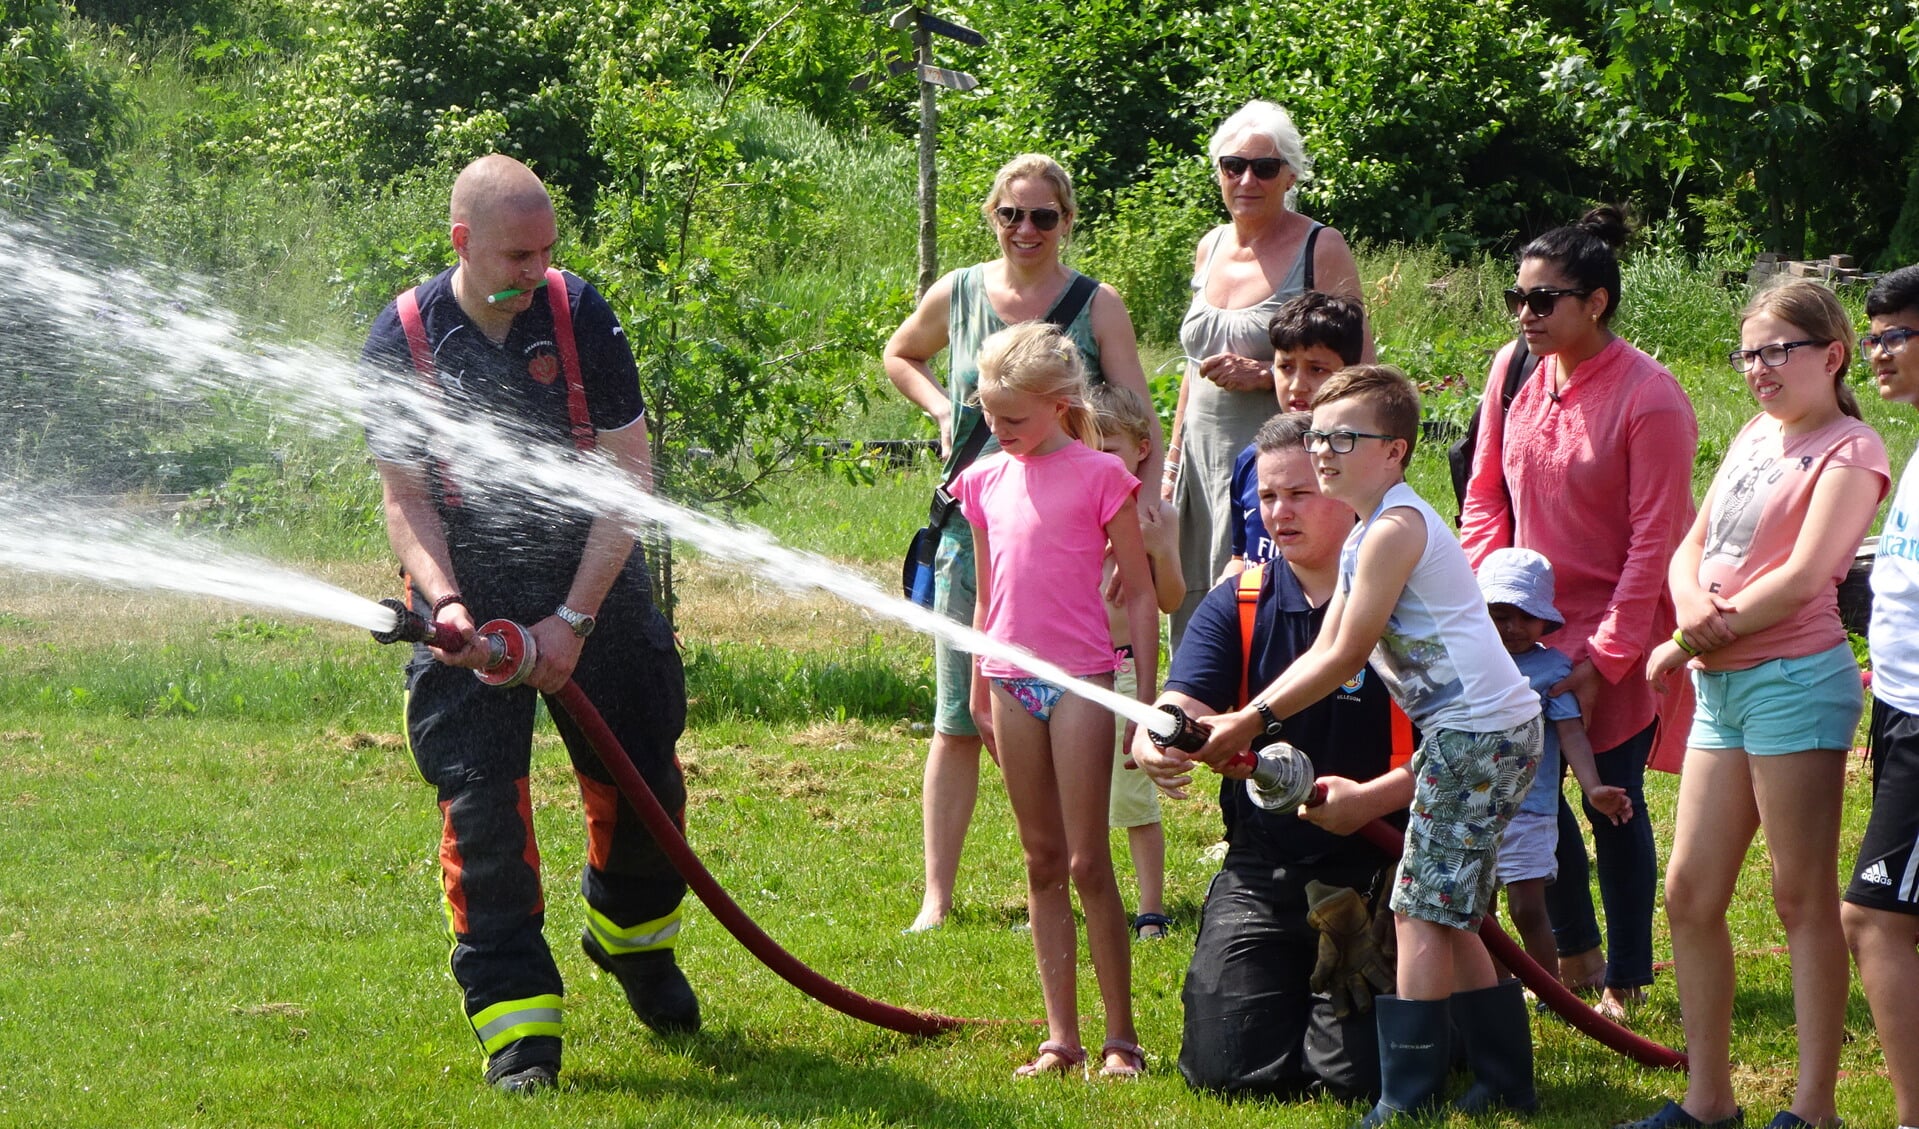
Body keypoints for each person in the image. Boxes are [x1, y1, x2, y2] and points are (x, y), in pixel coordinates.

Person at [359, 154, 696, 1094]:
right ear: (462, 241)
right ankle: (519, 1031)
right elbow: (405, 498)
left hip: (594, 578)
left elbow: (628, 474)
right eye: (517, 253)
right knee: (481, 809)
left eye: (548, 249)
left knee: (641, 780)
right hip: (466, 598)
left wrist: (574, 619)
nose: (536, 271)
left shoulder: (579, 312)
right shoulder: (404, 337)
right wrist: (447, 601)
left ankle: (635, 944)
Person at [1189, 366, 1544, 1128]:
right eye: (1317, 435)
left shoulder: (1392, 529)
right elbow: (1325, 648)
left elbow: (1347, 654)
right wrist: (1249, 717)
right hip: (1471, 734)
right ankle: (1503, 1080)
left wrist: (1248, 720)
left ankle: (1406, 1096)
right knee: (1449, 912)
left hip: (1479, 735)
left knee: (1419, 911)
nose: (1323, 450)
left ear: (1395, 451)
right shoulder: (1365, 531)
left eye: (1344, 438)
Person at [1625, 279, 1889, 1129]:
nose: (1759, 369)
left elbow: (1810, 576)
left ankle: (1812, 1110)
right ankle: (1708, 1101)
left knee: (1797, 896)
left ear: (1832, 354)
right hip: (1721, 688)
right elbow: (1692, 543)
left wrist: (1685, 638)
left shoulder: (1851, 450)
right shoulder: (1753, 434)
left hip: (1790, 682)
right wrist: (1687, 603)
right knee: (1690, 891)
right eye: (1749, 353)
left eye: (1779, 350)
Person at [882, 153, 1160, 933]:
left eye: (1042, 215)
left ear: (1066, 220)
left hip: (1074, 529)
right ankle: (937, 893)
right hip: (975, 526)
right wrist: (942, 410)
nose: (1025, 229)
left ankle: (1080, 869)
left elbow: (1139, 406)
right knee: (955, 713)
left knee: (1073, 691)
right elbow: (899, 353)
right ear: (992, 217)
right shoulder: (962, 290)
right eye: (1011, 214)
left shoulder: (1094, 302)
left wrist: (1146, 504)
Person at [1460, 206, 1697, 1020]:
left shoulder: (1650, 395)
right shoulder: (1513, 370)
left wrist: (1606, 656)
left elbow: (1654, 538)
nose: (1523, 315)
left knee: (1613, 800)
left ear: (1595, 302)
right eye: (1515, 298)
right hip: (1519, 626)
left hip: (1611, 631)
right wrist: (1481, 606)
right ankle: (1575, 951)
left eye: (1542, 300)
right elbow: (1482, 497)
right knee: (1531, 793)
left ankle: (1627, 973)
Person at [1133, 410, 1410, 1102]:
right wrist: (1158, 735)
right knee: (1227, 1072)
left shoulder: (1409, 602)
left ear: (1343, 491)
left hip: (1384, 866)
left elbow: (1459, 750)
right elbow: (1183, 702)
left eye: (1298, 494)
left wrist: (1368, 807)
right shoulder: (1240, 602)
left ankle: (1445, 1003)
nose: (1278, 512)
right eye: (1265, 497)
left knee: (1354, 1081)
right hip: (1265, 867)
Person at [951, 322, 1160, 1078]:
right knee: (1039, 859)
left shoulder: (1102, 475)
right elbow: (983, 600)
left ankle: (1120, 1039)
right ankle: (1059, 1038)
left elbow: (1139, 595)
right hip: (1010, 682)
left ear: (1059, 402)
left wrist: (1144, 701)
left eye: (1012, 416)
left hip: (1082, 681)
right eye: (988, 414)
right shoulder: (981, 480)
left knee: (1085, 860)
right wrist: (979, 687)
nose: (997, 429)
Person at [1168, 100, 1371, 645]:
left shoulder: (1319, 246)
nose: (1246, 179)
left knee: (1266, 607)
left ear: (1290, 175)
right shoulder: (1209, 246)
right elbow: (1195, 366)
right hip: (1201, 458)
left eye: (1264, 167)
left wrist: (1266, 375)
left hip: (1283, 464)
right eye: (1233, 165)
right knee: (1198, 602)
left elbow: (1359, 368)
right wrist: (1170, 458)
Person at [1476, 548, 1634, 982]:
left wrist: (1593, 787)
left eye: (1526, 617)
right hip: (1473, 808)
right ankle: (1494, 988)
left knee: (1527, 907)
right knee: (1478, 909)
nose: (1513, 628)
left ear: (1546, 621)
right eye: (1501, 615)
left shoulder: (1552, 670)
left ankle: (1548, 989)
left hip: (1529, 808)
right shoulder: (1468, 663)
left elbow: (1571, 735)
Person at [1847, 263, 1919, 1129]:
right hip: (1900, 709)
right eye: (1870, 338)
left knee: (1870, 917)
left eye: (1894, 335)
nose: (1877, 354)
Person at [1088, 383, 1185, 941]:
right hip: (1078, 665)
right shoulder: (1076, 507)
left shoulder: (1157, 515)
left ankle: (1151, 905)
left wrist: (1159, 549)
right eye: (1089, 447)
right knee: (1078, 793)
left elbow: (1171, 598)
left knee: (1134, 793)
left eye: (1112, 449)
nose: (1099, 460)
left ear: (1142, 449)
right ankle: (1089, 893)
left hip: (1128, 670)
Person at [1223, 292, 1367, 581]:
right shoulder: (1252, 459)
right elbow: (1239, 557)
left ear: (1348, 374)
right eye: (1285, 367)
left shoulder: (1364, 464)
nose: (1297, 385)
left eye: (1316, 369)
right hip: (1258, 617)